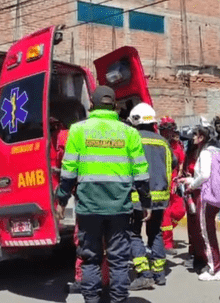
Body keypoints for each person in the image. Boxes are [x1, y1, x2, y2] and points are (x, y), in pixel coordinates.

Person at [55, 86, 152, 303]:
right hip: (119, 207)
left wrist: (61, 200)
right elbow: (141, 172)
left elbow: (68, 170)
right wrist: (146, 202)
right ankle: (118, 300)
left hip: (89, 207)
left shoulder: (78, 131)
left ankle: (92, 300)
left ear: (93, 104)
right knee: (118, 260)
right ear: (114, 105)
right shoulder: (129, 133)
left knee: (90, 259)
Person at [126, 103, 172, 290]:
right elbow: (171, 165)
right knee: (155, 232)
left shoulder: (132, 139)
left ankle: (144, 274)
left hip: (138, 197)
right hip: (160, 197)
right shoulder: (163, 141)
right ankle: (159, 274)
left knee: (134, 233)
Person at [181, 126, 220, 281]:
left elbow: (205, 174)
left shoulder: (205, 153)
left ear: (201, 137)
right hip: (217, 194)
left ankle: (215, 269)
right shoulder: (217, 151)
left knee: (206, 232)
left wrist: (192, 185)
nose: (192, 138)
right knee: (209, 231)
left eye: (195, 135)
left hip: (206, 195)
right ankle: (215, 264)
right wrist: (191, 180)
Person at [158, 117, 187, 254]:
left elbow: (181, 162)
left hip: (174, 183)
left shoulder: (177, 145)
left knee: (179, 211)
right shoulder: (157, 143)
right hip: (161, 183)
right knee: (166, 213)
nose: (169, 132)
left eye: (171, 129)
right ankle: (167, 243)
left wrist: (179, 177)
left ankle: (164, 233)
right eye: (166, 129)